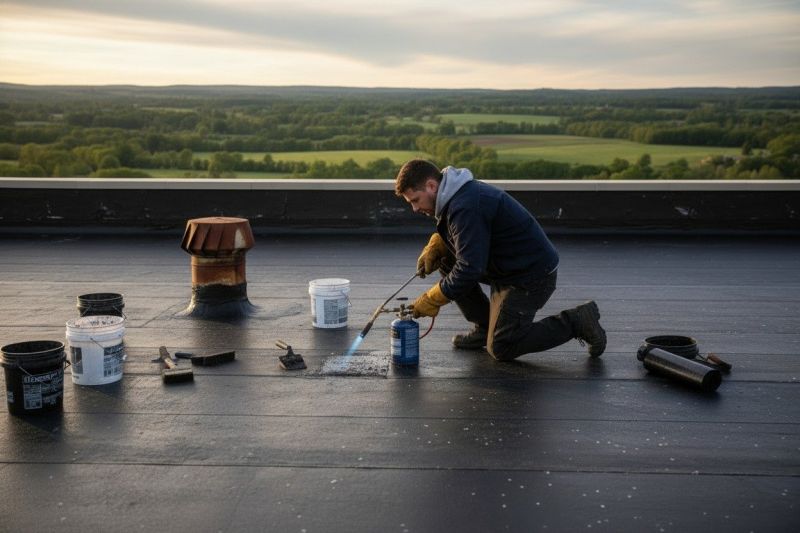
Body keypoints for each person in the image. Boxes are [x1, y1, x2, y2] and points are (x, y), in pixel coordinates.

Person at [395, 159, 606, 361]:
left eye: (415, 200)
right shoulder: (457, 194)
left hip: (530, 276)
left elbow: (469, 269)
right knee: (446, 261)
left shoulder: (466, 206)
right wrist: (439, 243)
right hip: (508, 266)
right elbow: (470, 236)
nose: (415, 209)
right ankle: (485, 326)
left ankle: (577, 321)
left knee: (501, 346)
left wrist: (432, 299)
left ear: (431, 186)